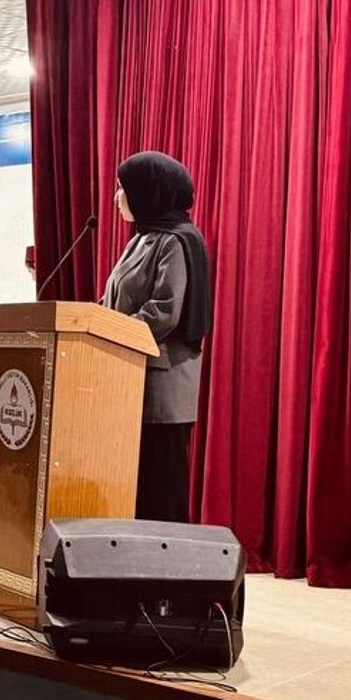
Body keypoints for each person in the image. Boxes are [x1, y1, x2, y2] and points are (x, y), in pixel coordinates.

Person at [104, 151, 212, 523]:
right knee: (136, 491)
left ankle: (167, 559)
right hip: (129, 379)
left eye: (123, 188)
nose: (116, 197)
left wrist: (109, 332)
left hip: (161, 388)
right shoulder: (141, 239)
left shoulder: (178, 241)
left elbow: (164, 310)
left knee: (160, 491)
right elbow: (114, 302)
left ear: (149, 191)